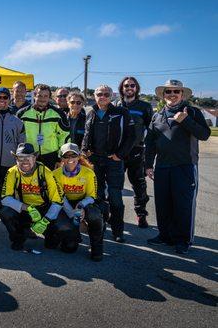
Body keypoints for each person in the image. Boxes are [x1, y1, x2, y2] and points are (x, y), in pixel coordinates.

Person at [145, 79, 210, 254]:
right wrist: (148, 165)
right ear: (163, 95)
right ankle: (165, 235)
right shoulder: (157, 116)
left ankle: (183, 240)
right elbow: (150, 143)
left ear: (182, 94)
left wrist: (186, 120)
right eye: (168, 92)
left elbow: (204, 135)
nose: (172, 95)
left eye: (176, 92)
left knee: (183, 205)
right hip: (163, 167)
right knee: (163, 204)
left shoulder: (193, 112)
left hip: (185, 166)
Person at [82, 85, 135, 243]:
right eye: (99, 94)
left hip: (113, 161)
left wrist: (120, 154)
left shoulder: (122, 112)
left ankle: (118, 231)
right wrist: (85, 149)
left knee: (115, 198)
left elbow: (132, 137)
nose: (102, 96)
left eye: (106, 94)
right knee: (96, 197)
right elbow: (86, 134)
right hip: (95, 161)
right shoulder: (90, 112)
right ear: (95, 95)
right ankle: (99, 226)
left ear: (111, 96)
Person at [0, 143, 70, 252]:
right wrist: (27, 208)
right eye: (21, 158)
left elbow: (57, 201)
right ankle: (19, 237)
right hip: (26, 209)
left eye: (28, 157)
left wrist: (46, 220)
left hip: (45, 209)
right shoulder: (12, 172)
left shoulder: (45, 172)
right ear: (16, 159)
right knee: (5, 212)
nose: (24, 161)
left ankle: (50, 234)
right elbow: (5, 198)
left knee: (55, 244)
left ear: (35, 158)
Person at [114, 76, 154, 228]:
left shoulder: (145, 106)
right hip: (118, 152)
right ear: (121, 88)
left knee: (139, 185)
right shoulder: (116, 105)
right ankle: (114, 215)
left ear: (136, 88)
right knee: (115, 185)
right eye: (126, 86)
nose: (129, 88)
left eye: (132, 85)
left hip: (137, 152)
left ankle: (141, 214)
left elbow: (151, 131)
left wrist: (149, 152)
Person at [53, 143, 104, 261]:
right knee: (69, 248)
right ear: (62, 158)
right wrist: (73, 215)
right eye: (66, 156)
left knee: (95, 215)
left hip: (84, 203)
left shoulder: (89, 173)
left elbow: (92, 196)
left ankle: (97, 246)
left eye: (73, 155)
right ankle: (72, 233)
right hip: (65, 204)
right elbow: (60, 198)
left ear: (79, 157)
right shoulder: (55, 174)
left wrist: (81, 207)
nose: (70, 159)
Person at [17, 83, 70, 170]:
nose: (42, 99)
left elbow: (64, 136)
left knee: (51, 183)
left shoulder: (58, 114)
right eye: (40, 95)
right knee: (30, 183)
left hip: (51, 156)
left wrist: (60, 158)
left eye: (46, 96)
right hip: (29, 155)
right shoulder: (22, 113)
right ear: (34, 95)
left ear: (49, 97)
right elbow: (16, 135)